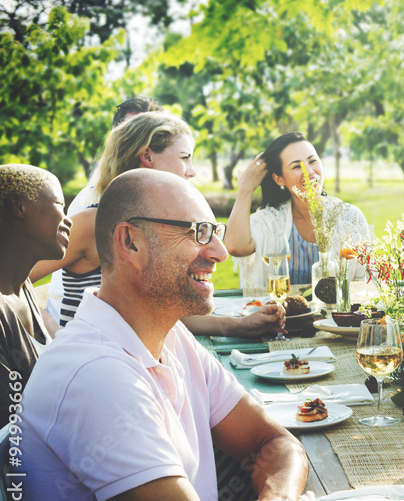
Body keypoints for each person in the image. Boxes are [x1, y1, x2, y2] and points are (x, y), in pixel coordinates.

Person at [19, 169, 404, 501]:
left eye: (216, 232)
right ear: (131, 242)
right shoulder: (98, 375)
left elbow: (273, 439)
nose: (220, 252)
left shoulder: (169, 336)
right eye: (197, 233)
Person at [30, 112, 283, 337]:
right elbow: (6, 281)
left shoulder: (161, 224)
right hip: (93, 362)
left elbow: (166, 307)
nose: (192, 171)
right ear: (147, 155)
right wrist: (52, 330)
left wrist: (237, 326)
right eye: (184, 157)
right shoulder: (93, 223)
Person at [43, 95, 163, 324]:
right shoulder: (92, 209)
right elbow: (15, 282)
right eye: (130, 132)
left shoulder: (155, 212)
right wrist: (55, 334)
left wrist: (235, 325)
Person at [226, 132, 370, 289]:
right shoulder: (271, 221)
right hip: (284, 313)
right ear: (279, 179)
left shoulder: (349, 217)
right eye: (296, 166)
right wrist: (245, 189)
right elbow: (235, 246)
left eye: (312, 161)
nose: (309, 172)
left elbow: (365, 281)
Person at [0, 164, 71, 430]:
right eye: (60, 204)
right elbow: (7, 431)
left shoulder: (20, 284)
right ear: (18, 206)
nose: (68, 219)